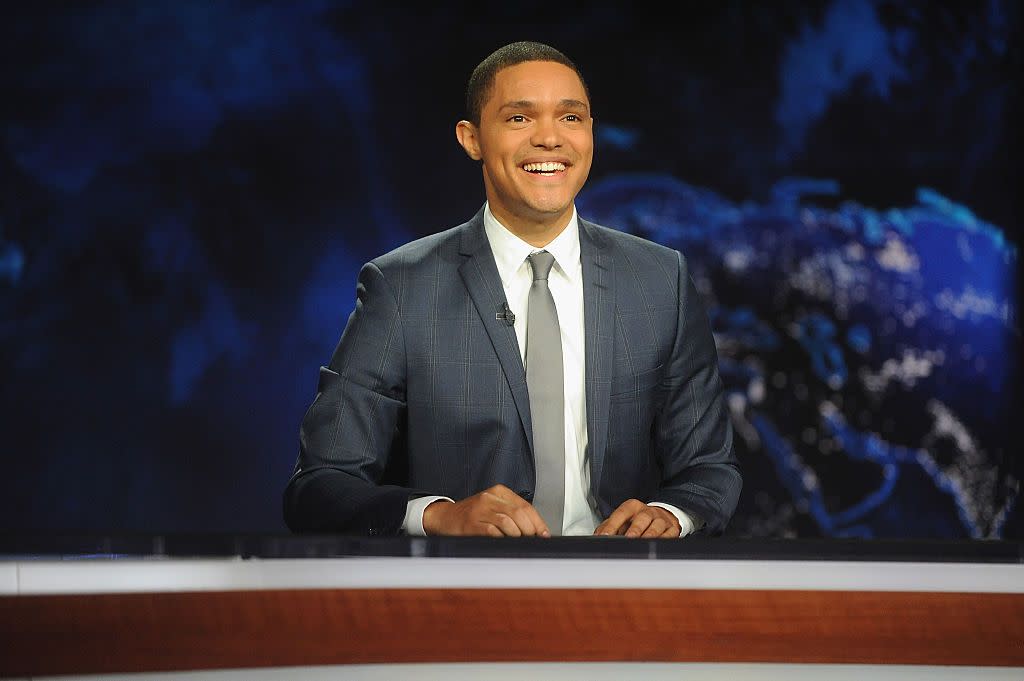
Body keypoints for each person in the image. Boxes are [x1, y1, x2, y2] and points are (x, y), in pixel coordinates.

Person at [283, 41, 741, 538]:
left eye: (571, 118)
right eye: (520, 119)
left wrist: (671, 515)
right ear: (471, 138)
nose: (549, 139)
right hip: (462, 593)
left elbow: (710, 471)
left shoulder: (660, 281)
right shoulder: (400, 288)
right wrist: (441, 515)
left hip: (620, 591)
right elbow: (320, 485)